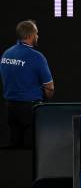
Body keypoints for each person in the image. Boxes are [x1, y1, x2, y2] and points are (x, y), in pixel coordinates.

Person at [0, 20, 54, 148]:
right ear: (30, 36)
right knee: (31, 149)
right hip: (30, 109)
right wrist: (46, 99)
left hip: (10, 108)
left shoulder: (6, 54)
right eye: (36, 33)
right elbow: (50, 87)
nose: (37, 36)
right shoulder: (37, 57)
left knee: (14, 147)